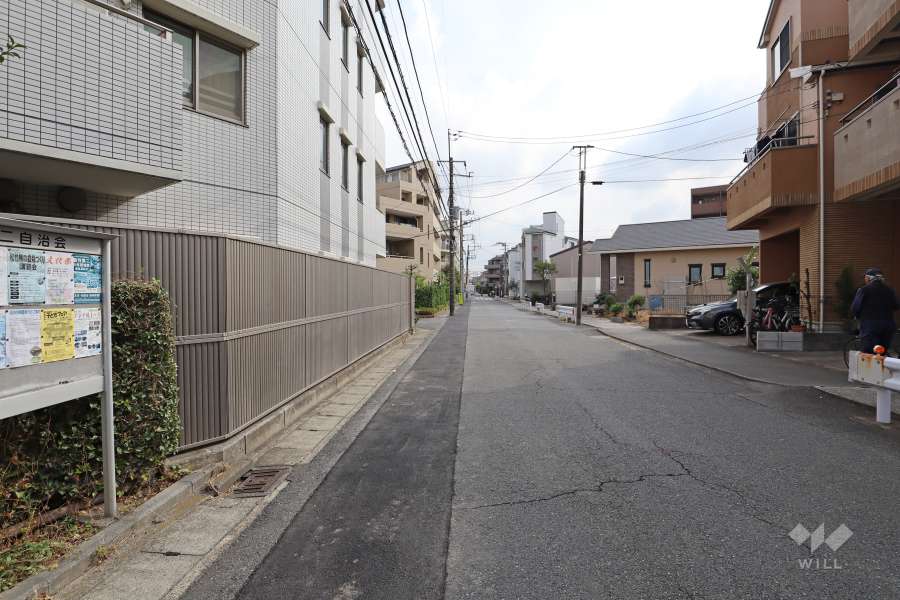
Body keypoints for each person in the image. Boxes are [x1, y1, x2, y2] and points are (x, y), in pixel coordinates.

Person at [851, 268, 900, 354]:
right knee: (882, 353)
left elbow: (855, 308)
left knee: (869, 353)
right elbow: (896, 306)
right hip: (888, 325)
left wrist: (858, 317)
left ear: (869, 278)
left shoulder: (864, 290)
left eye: (865, 277)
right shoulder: (890, 290)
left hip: (870, 326)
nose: (865, 280)